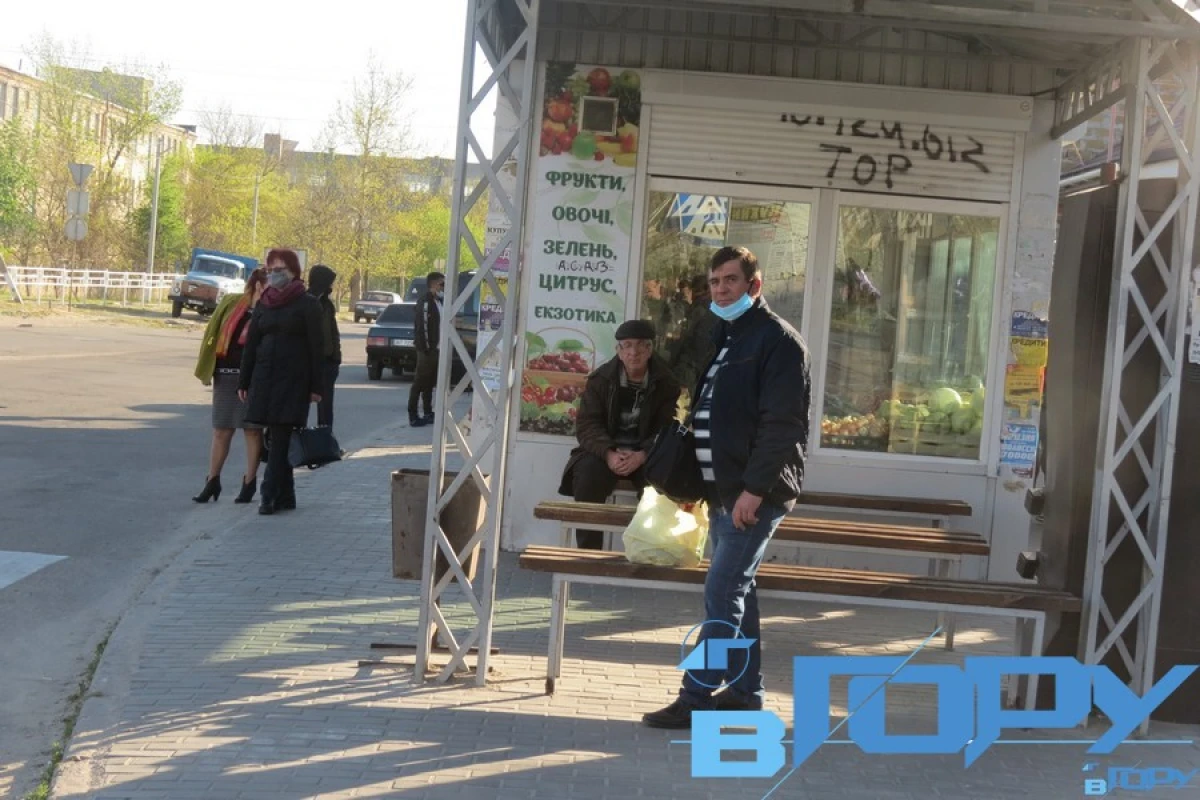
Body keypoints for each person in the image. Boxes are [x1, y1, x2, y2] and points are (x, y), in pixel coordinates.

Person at [643, 245, 810, 729]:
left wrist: (753, 491)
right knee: (740, 593)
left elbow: (782, 426)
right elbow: (713, 414)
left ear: (754, 286)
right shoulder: (728, 335)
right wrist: (700, 485)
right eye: (714, 282)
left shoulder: (779, 341)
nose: (720, 290)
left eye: (730, 281)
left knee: (722, 594)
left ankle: (695, 696)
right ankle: (744, 692)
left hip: (752, 495)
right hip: (723, 491)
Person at [558, 319, 682, 549]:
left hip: (646, 453)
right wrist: (609, 454)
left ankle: (648, 550)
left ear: (650, 349)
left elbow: (667, 428)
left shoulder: (667, 383)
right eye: (627, 346)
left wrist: (643, 454)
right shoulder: (600, 380)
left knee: (662, 480)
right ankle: (588, 554)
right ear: (618, 350)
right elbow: (587, 425)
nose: (634, 352)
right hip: (605, 451)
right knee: (587, 477)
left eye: (641, 345)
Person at [238, 248, 324, 516]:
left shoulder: (308, 304)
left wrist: (316, 387)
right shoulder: (264, 303)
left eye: (280, 270)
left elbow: (317, 349)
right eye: (270, 270)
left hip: (293, 380)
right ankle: (286, 495)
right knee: (276, 437)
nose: (274, 275)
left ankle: (268, 495)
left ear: (294, 272)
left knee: (280, 434)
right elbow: (251, 344)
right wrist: (244, 381)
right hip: (264, 378)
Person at [191, 267, 268, 504]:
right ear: (257, 285)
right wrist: (206, 364)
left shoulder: (272, 310)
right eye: (268, 285)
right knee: (221, 430)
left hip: (254, 378)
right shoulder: (232, 303)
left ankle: (249, 482)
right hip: (225, 374)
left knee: (252, 430)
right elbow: (212, 332)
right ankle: (212, 480)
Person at [307, 264, 342, 427]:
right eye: (329, 282)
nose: (331, 286)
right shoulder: (307, 301)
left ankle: (325, 436)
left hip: (328, 362)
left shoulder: (327, 304)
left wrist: (336, 357)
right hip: (309, 362)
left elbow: (333, 332)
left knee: (326, 405)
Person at [409, 271, 445, 428]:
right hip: (427, 350)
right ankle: (413, 415)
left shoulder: (439, 302)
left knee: (429, 383)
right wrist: (427, 348)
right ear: (434, 284)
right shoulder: (425, 302)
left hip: (437, 348)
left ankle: (428, 412)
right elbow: (422, 327)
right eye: (442, 284)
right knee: (419, 382)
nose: (444, 287)